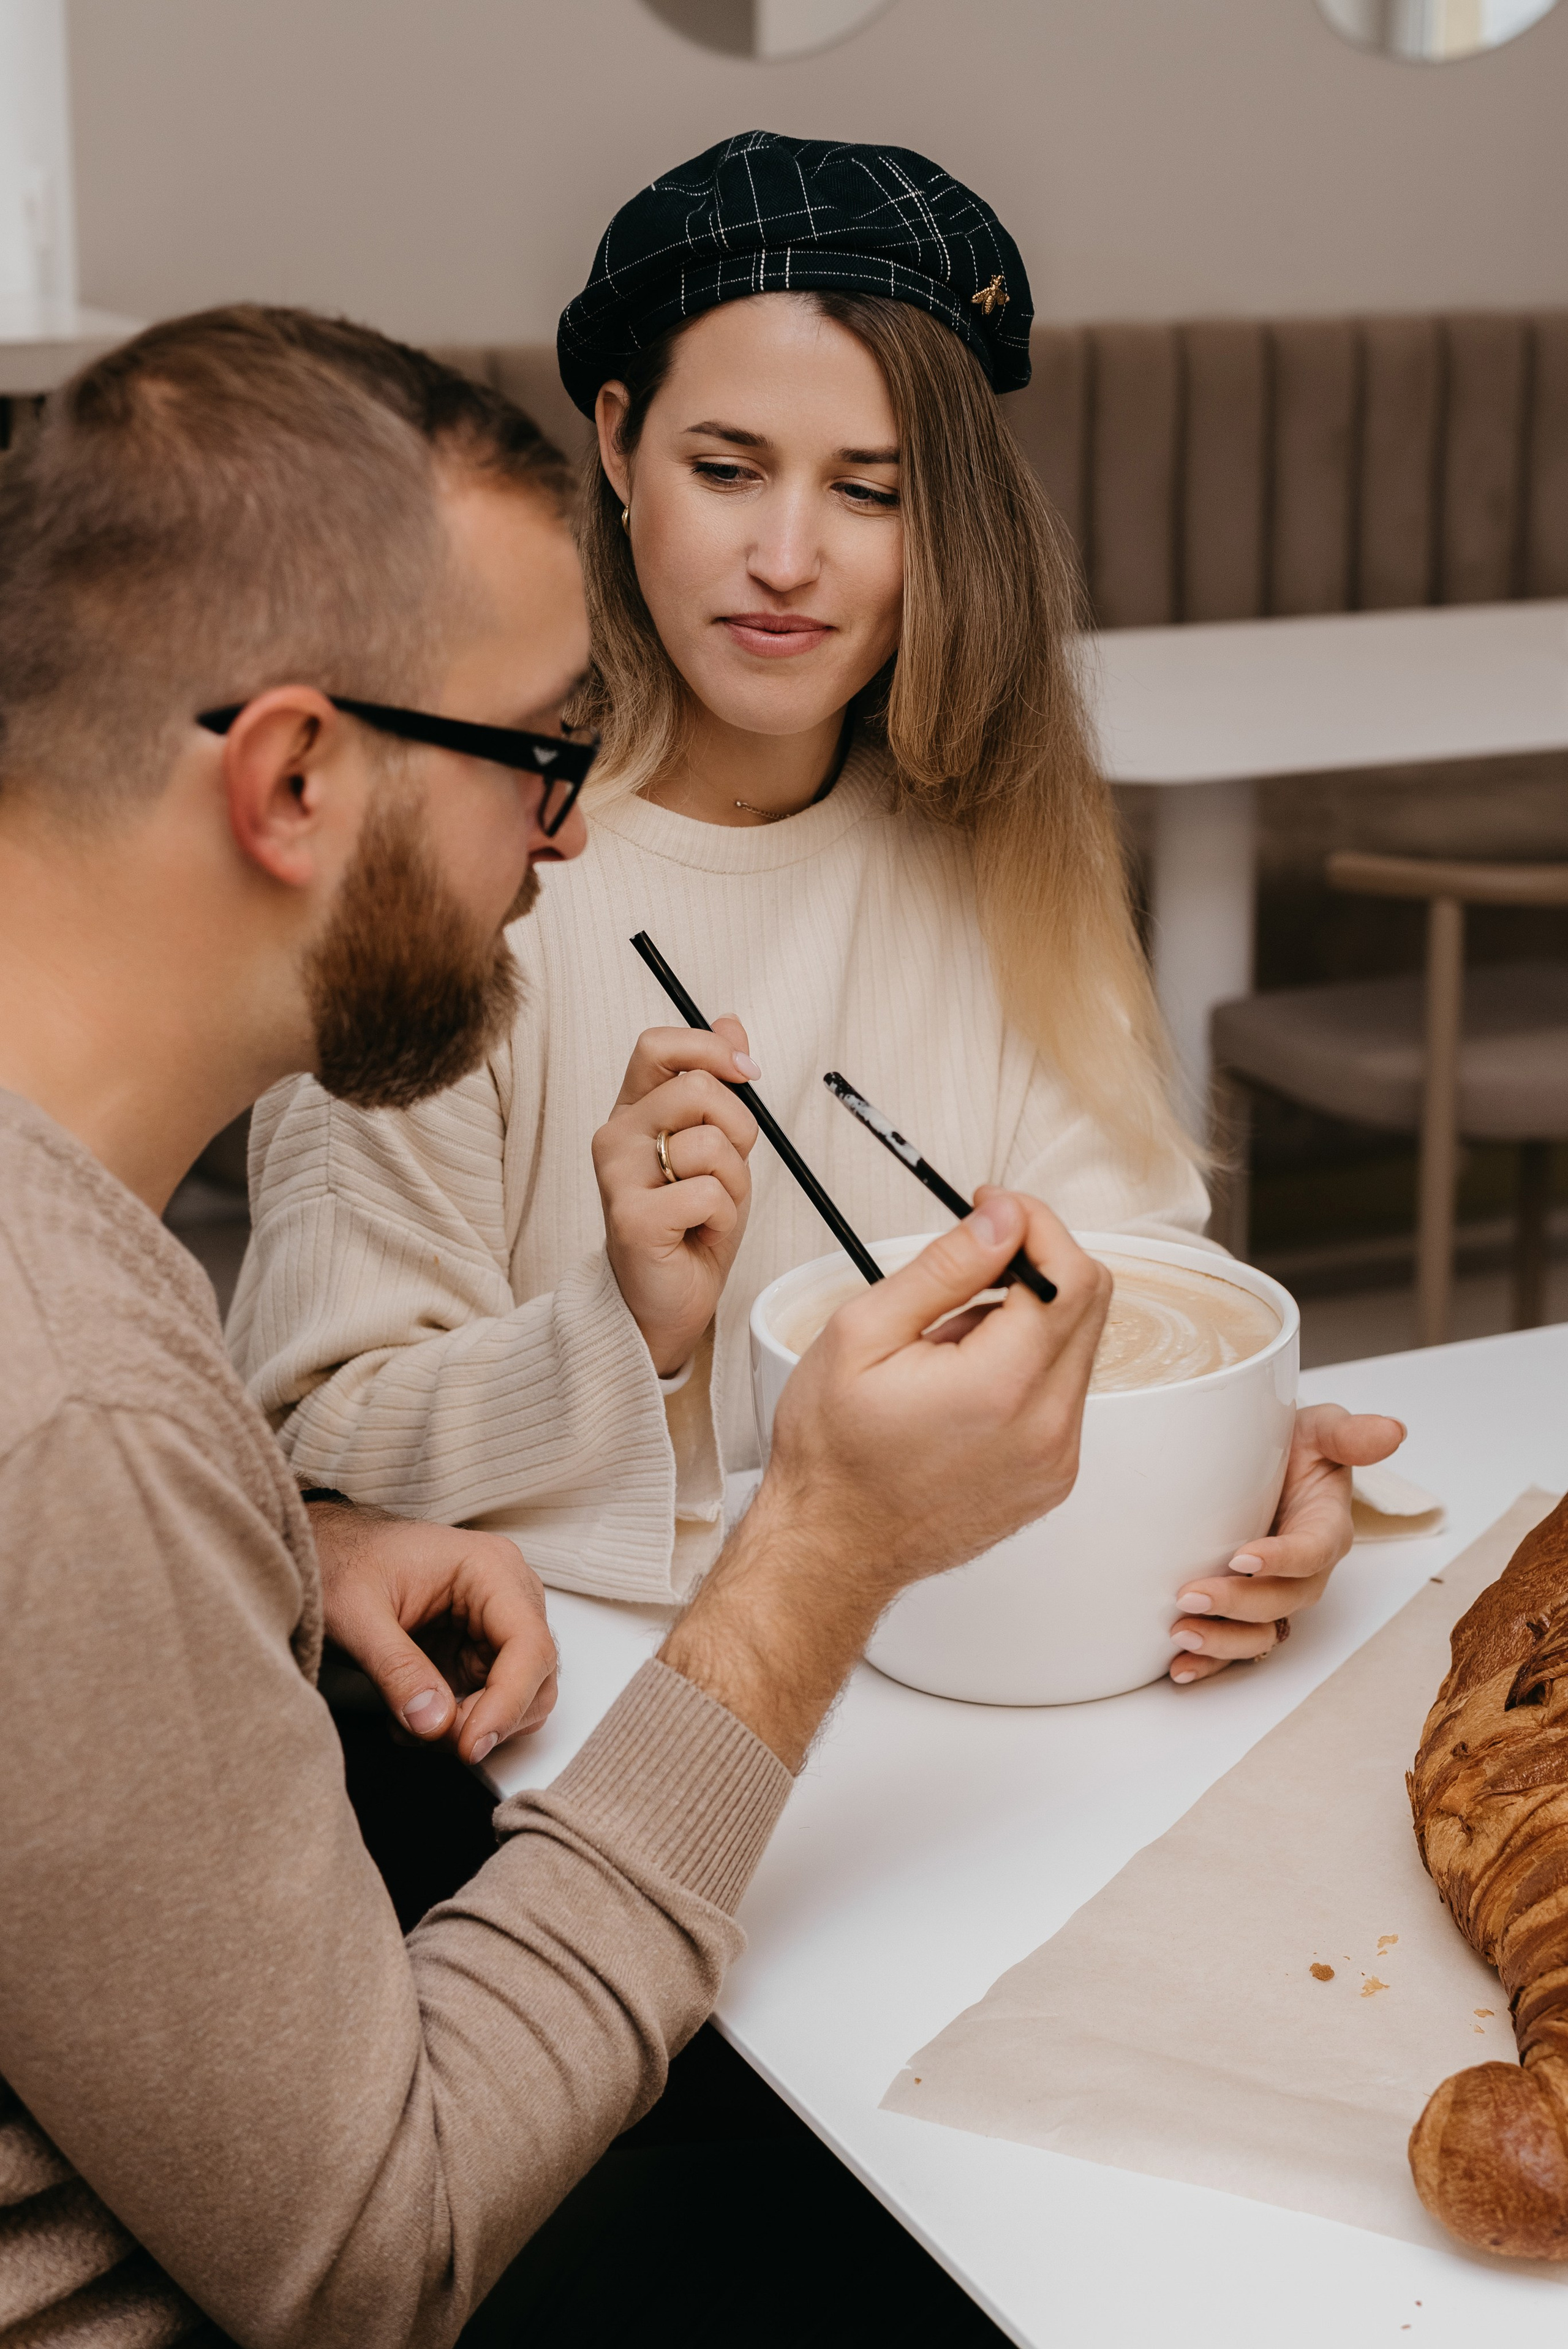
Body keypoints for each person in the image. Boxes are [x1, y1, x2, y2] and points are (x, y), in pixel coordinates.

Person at [0, 304, 1110, 2347]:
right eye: (536, 752)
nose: (575, 828)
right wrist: (816, 1554)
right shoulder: (67, 1409)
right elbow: (374, 2255)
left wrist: (283, 1538)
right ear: (295, 778)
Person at [235, 135, 1401, 1676]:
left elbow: (1128, 1317)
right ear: (615, 444)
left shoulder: (1007, 859)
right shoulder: (449, 873)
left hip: (969, 1672)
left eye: (868, 491)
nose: (785, 561)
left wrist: (1250, 1475)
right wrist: (624, 1319)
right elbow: (303, 1445)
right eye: (725, 471)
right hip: (589, 1705)